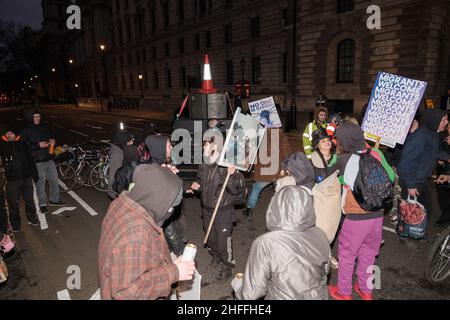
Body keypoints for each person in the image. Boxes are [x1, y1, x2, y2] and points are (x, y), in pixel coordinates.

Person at [98, 164, 195, 300]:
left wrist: (160, 174)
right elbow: (125, 292)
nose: (169, 211)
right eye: (170, 207)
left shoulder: (125, 203)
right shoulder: (136, 234)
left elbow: (140, 172)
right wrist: (174, 273)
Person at [328, 122, 394, 300]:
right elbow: (392, 176)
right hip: (378, 214)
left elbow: (330, 177)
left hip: (356, 216)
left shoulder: (345, 159)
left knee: (347, 255)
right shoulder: (376, 153)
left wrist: (347, 181)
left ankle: (344, 292)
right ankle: (366, 290)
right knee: (369, 253)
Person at [235, 185, 330, 300]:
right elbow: (325, 271)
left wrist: (238, 285)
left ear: (275, 207)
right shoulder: (320, 234)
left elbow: (251, 294)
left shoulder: (266, 243)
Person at [189, 138, 246, 281]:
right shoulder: (204, 163)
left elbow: (237, 190)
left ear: (215, 146)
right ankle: (216, 257)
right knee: (211, 239)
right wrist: (197, 185)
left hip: (223, 211)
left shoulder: (226, 164)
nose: (203, 147)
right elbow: (201, 180)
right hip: (207, 209)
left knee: (223, 242)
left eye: (206, 144)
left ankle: (227, 265)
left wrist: (232, 176)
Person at [397, 109, 449, 217]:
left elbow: (434, 151)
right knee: (412, 213)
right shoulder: (420, 137)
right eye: (444, 120)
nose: (447, 122)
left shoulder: (433, 133)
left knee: (423, 210)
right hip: (412, 180)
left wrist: (448, 158)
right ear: (434, 120)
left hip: (421, 179)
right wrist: (410, 186)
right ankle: (410, 231)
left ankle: (417, 232)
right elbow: (405, 164)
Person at [21, 111, 65, 213]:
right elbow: (23, 146)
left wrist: (53, 141)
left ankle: (54, 200)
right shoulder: (25, 130)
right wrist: (37, 145)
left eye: (39, 116)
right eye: (35, 116)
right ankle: (42, 204)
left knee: (54, 181)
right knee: (40, 184)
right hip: (37, 162)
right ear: (30, 118)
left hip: (49, 159)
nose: (38, 118)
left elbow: (50, 137)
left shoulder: (44, 127)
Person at [243, 128, 292, 218]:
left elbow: (250, 149)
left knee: (256, 188)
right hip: (279, 171)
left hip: (266, 170)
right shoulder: (282, 136)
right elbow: (287, 153)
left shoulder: (260, 135)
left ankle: (249, 209)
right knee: (280, 191)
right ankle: (280, 212)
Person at [0, 130, 40, 232]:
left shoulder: (22, 144)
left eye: (11, 133)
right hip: (12, 180)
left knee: (29, 201)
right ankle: (15, 224)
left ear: (15, 134)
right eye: (7, 134)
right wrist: (5, 168)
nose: (9, 135)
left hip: (26, 178)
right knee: (13, 204)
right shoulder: (2, 146)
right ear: (5, 136)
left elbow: (31, 159)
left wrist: (34, 174)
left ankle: (31, 218)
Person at [107, 131, 134, 200]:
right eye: (130, 141)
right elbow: (113, 175)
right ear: (124, 141)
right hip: (116, 193)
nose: (132, 143)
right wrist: (114, 193)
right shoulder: (117, 154)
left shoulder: (121, 150)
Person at [435, 123, 450, 227]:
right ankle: (445, 215)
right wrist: (439, 158)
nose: (448, 129)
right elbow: (436, 147)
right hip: (443, 170)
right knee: (442, 194)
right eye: (448, 127)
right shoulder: (443, 135)